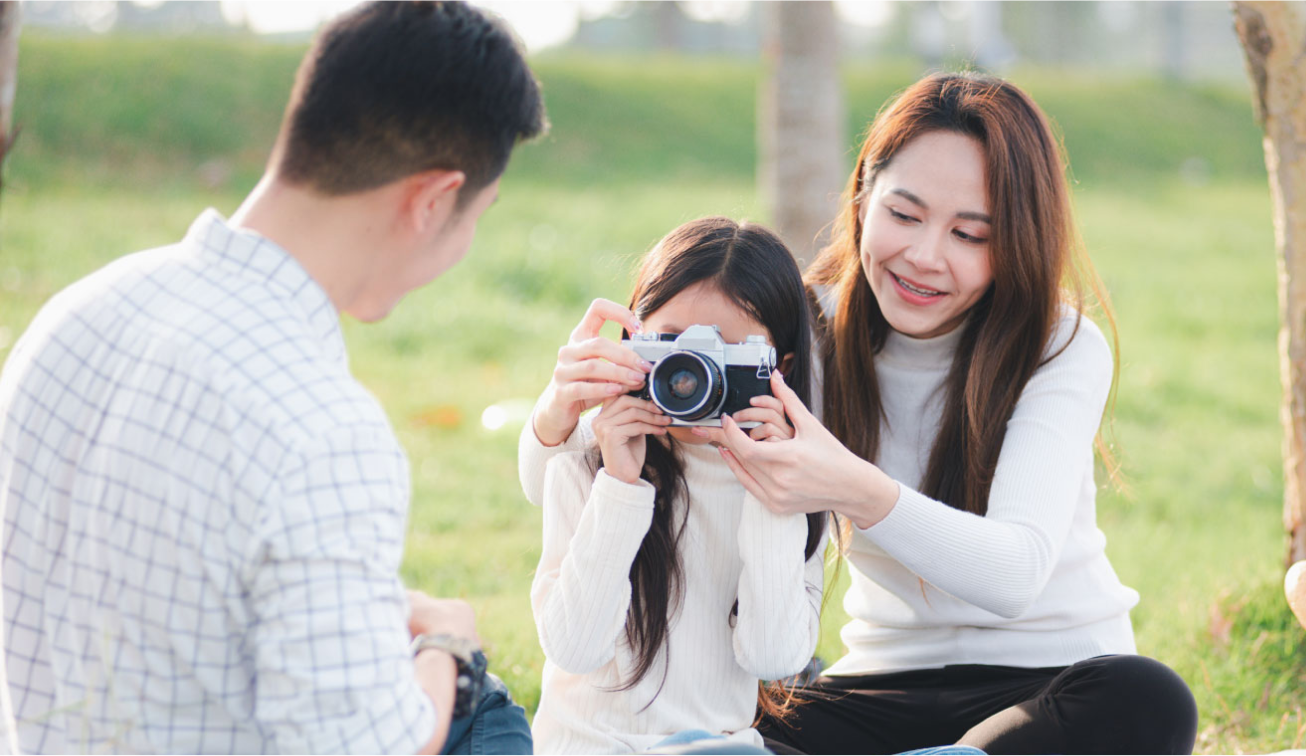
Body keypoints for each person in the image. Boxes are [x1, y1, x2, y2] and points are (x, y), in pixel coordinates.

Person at [519, 72, 1198, 756]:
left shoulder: (1058, 344)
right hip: (877, 684)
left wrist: (844, 482)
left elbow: (1014, 576)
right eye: (903, 215)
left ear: (1017, 240)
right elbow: (548, 485)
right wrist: (559, 413)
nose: (925, 257)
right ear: (862, 197)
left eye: (970, 234)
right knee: (732, 720)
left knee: (1146, 701)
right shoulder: (806, 330)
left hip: (1054, 677)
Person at [0, 2, 546, 754]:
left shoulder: (74, 313)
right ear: (431, 200)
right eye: (475, 215)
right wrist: (448, 646)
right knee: (483, 711)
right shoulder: (322, 425)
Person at [529, 217, 829, 754]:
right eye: (669, 345)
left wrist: (769, 488)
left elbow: (775, 658)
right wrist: (620, 485)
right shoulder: (584, 464)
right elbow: (573, 649)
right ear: (634, 340)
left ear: (776, 367)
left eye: (722, 353)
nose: (691, 374)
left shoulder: (798, 489)